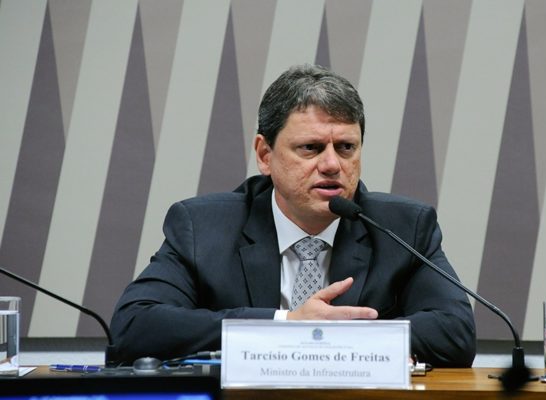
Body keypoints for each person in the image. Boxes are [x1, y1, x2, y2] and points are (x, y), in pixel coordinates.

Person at [110, 64, 476, 367]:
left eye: (346, 147)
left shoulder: (403, 228)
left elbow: (455, 332)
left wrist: (332, 337)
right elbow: (134, 326)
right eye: (311, 148)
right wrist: (286, 325)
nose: (332, 164)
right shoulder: (203, 227)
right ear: (265, 155)